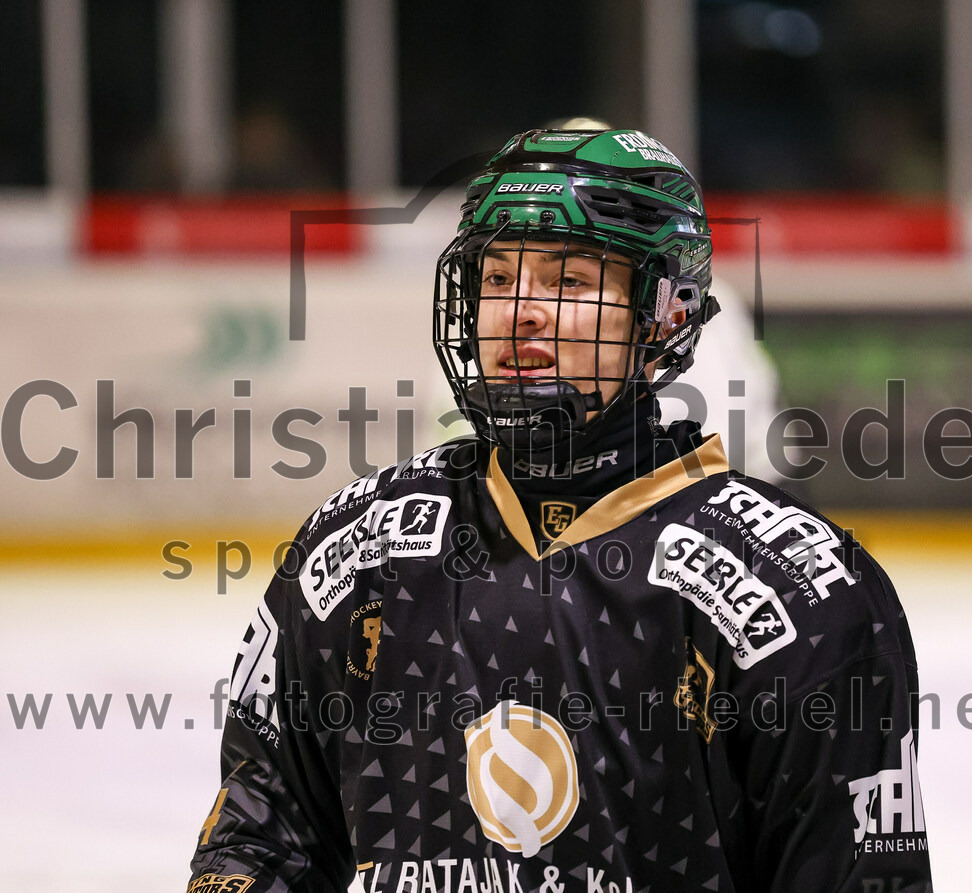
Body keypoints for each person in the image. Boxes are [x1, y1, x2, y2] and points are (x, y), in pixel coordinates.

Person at [188, 129, 932, 892]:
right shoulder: (357, 555)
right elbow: (259, 837)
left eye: (568, 280)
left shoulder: (800, 594)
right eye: (497, 276)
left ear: (666, 313)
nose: (520, 313)